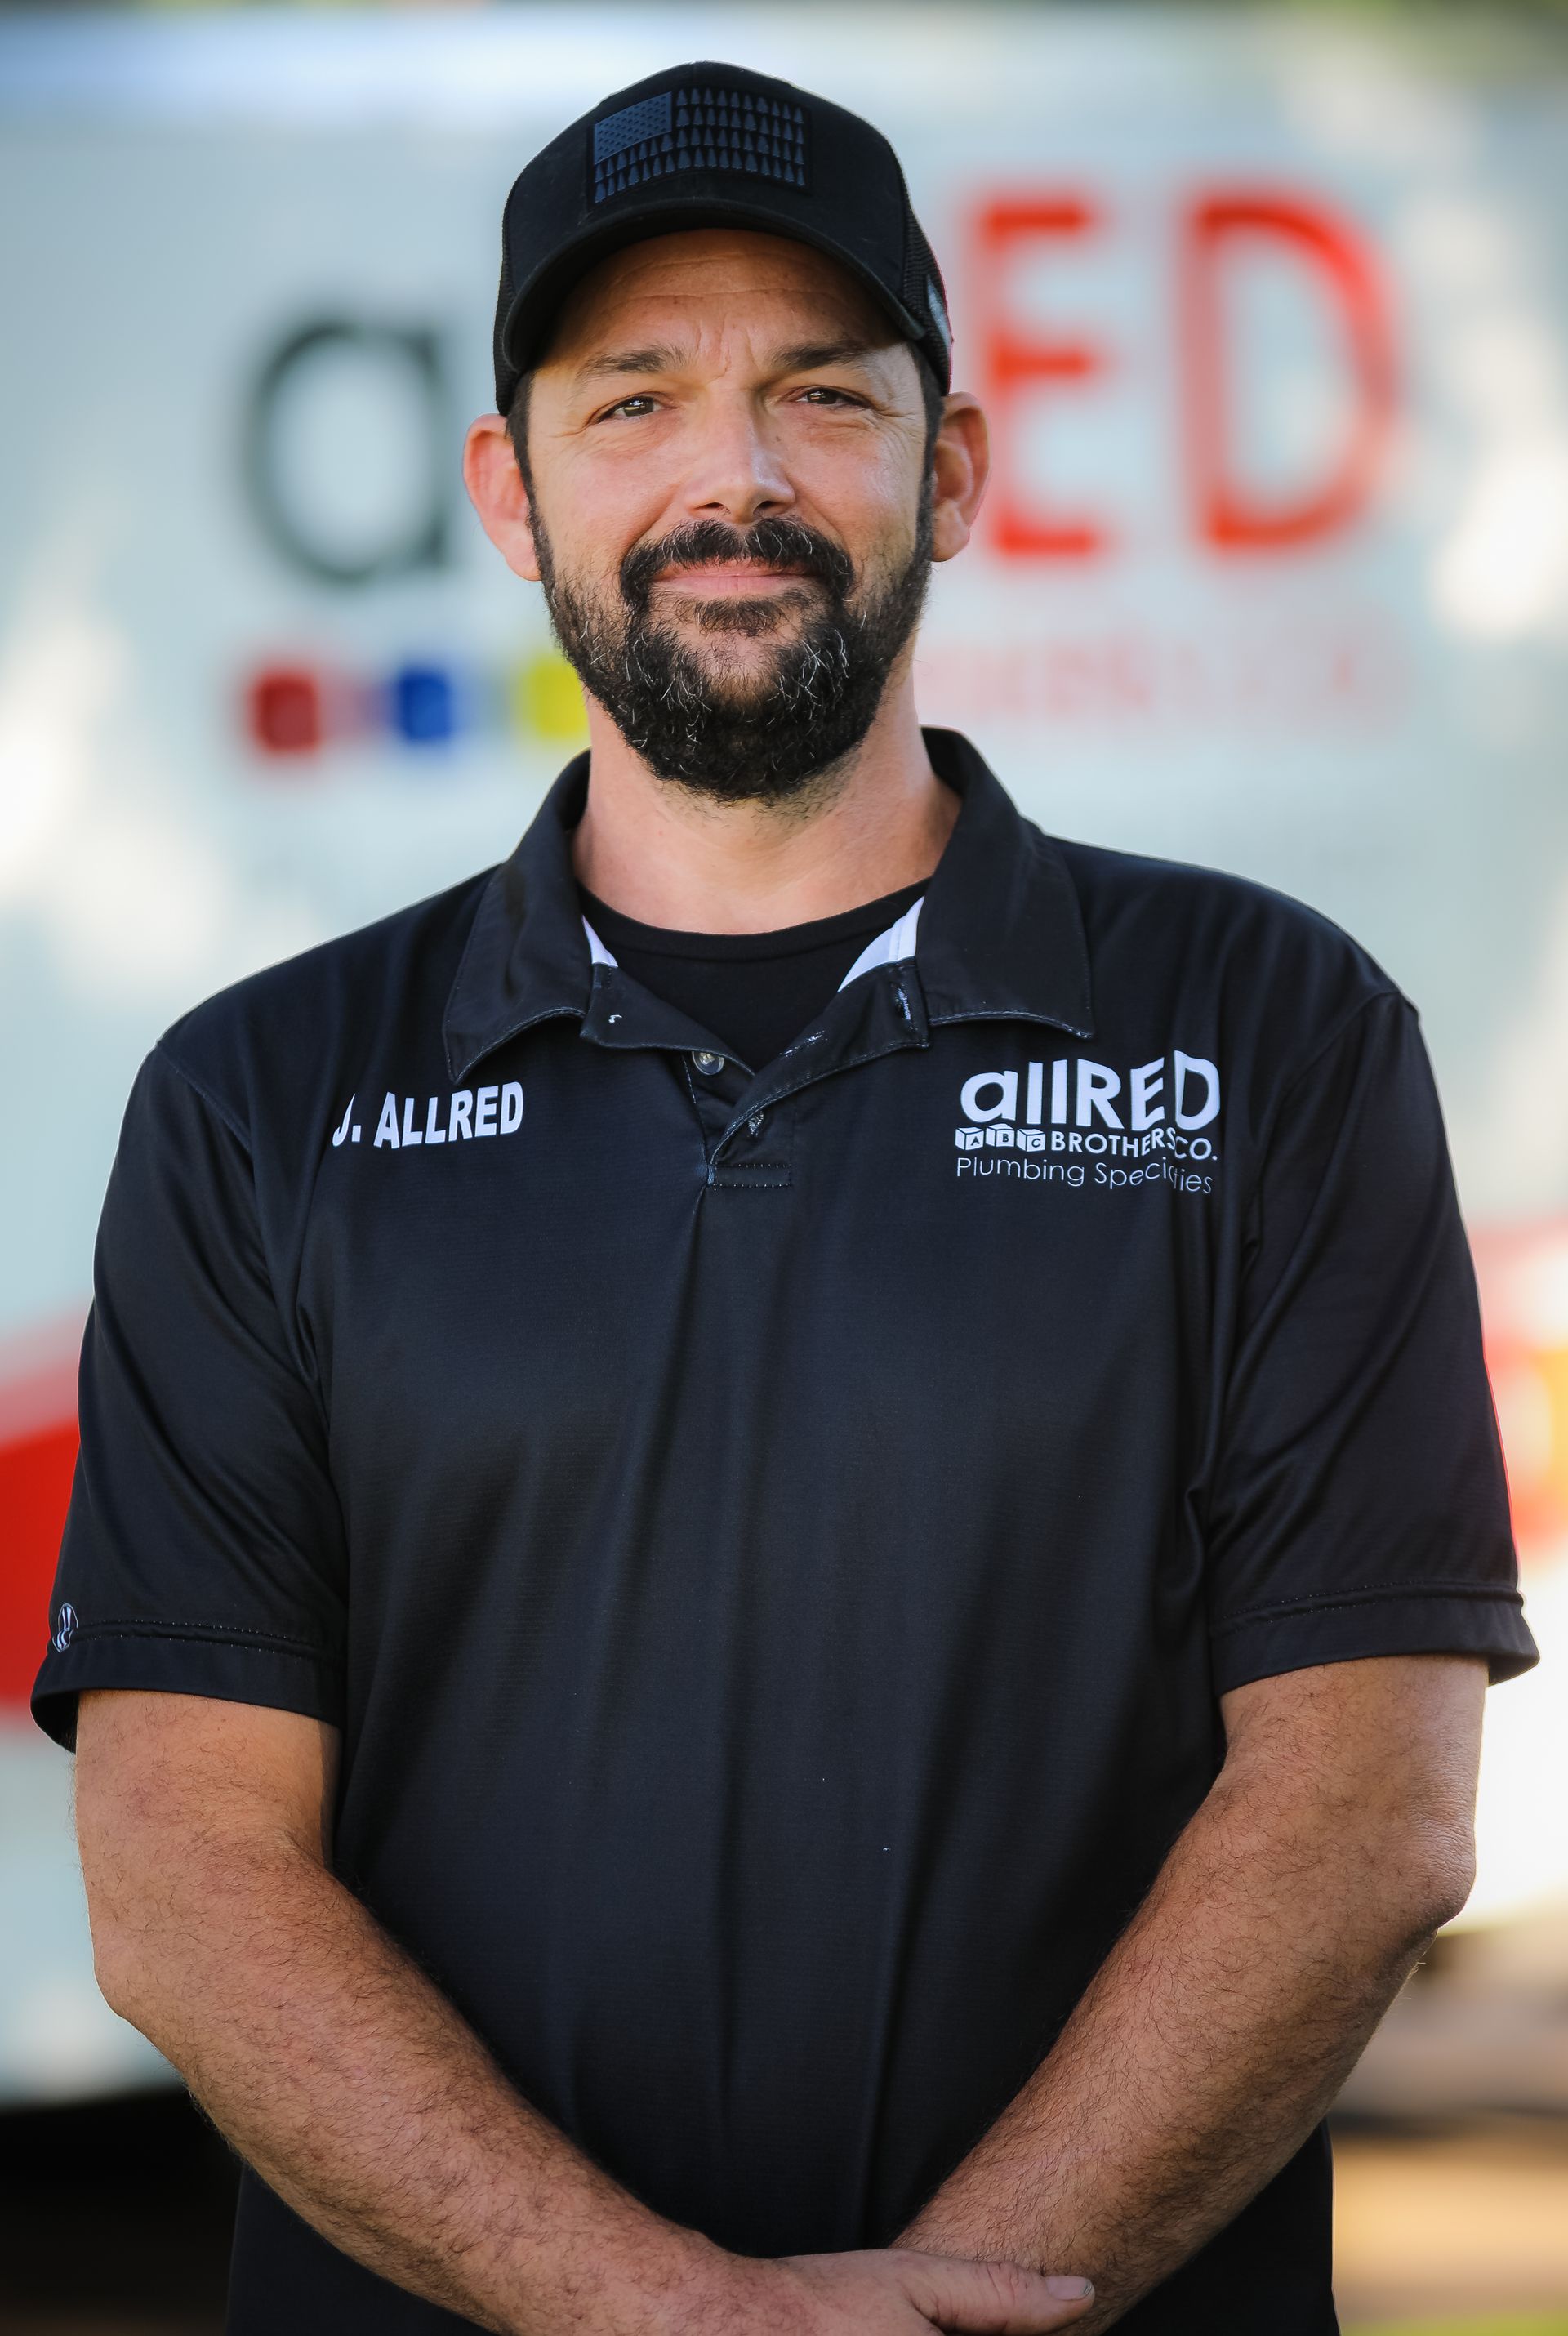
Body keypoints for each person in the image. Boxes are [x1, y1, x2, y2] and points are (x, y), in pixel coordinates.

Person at [35, 61, 1535, 2336]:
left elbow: (1361, 1812)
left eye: (821, 395)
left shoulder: (1280, 1034)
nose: (731, 475)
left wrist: (929, 2312)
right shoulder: (259, 1099)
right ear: (507, 494)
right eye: (631, 398)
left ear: (952, 472)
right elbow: (182, 1868)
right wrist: (672, 2314)